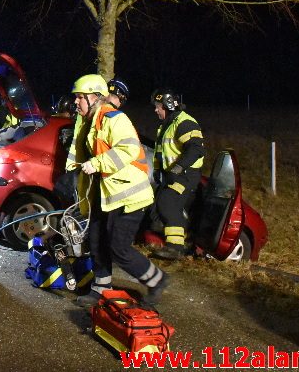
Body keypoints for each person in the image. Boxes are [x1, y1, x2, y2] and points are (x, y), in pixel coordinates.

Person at [65, 74, 169, 307]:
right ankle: (101, 289)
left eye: (81, 97)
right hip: (107, 195)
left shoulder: (113, 118)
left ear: (96, 98)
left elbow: (129, 149)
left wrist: (98, 163)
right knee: (97, 240)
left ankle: (157, 280)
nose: (76, 102)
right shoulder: (90, 120)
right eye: (76, 98)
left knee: (118, 248)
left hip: (130, 196)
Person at [149, 88, 205, 260]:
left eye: (158, 106)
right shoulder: (166, 125)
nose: (156, 110)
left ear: (167, 105)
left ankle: (175, 248)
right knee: (158, 205)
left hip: (186, 175)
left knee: (168, 203)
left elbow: (196, 148)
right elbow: (160, 151)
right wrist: (158, 170)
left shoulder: (184, 122)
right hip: (173, 175)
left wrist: (178, 168)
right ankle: (180, 241)